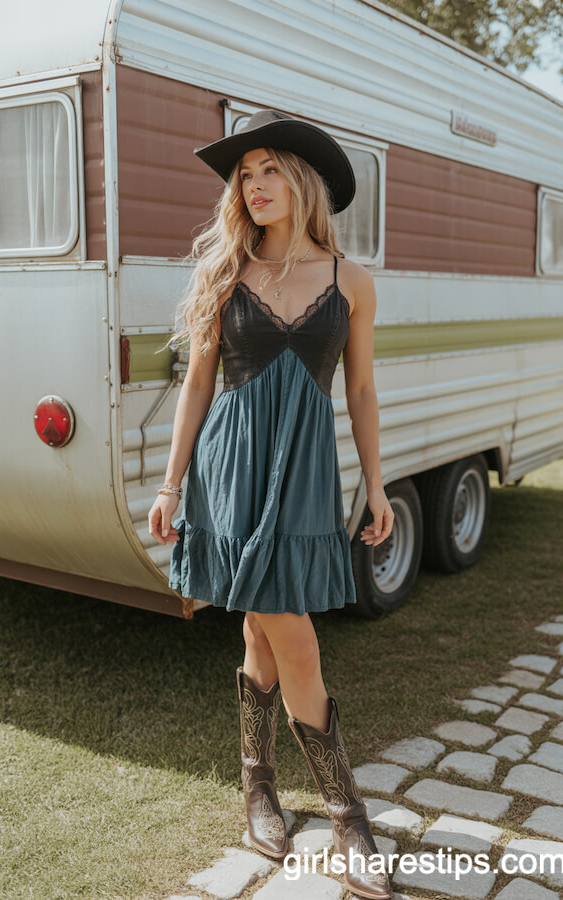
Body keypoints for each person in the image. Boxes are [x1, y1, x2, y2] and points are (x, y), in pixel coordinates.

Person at [148, 109, 394, 899]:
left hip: (306, 473)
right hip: (232, 467)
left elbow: (358, 387)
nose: (253, 186)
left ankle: (273, 790)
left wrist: (377, 482)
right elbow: (196, 385)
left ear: (302, 180)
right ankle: (336, 810)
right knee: (279, 626)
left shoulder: (351, 281)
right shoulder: (224, 270)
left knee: (273, 626)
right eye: (243, 175)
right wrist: (171, 483)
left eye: (267, 170)